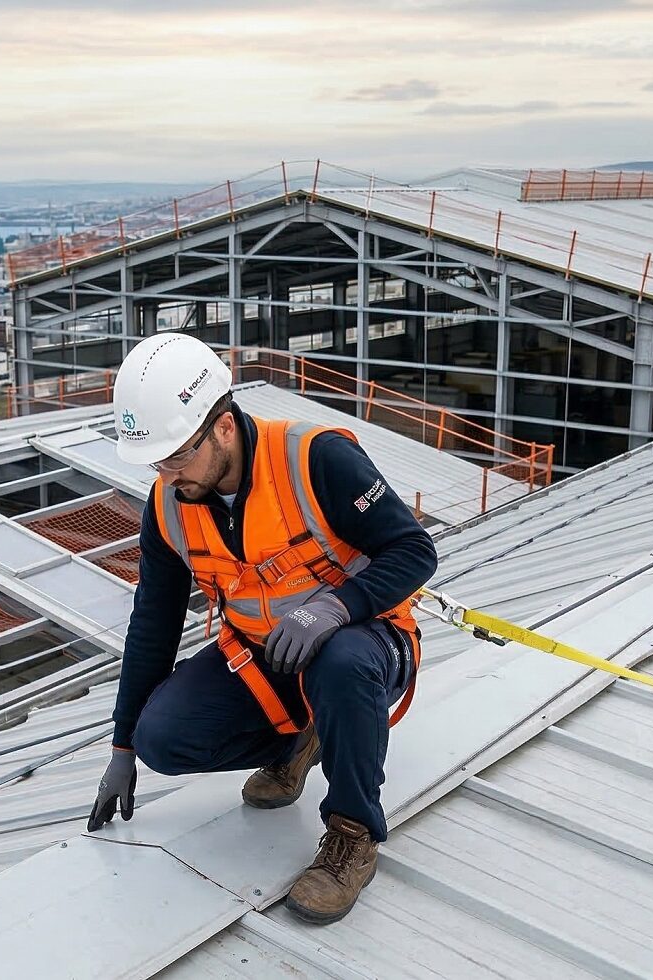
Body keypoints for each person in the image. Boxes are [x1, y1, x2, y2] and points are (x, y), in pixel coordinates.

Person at [86, 333, 437, 925]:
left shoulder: (315, 458)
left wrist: (338, 606)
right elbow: (154, 623)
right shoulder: (170, 504)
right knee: (163, 739)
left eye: (176, 457)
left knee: (343, 661)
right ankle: (302, 740)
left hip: (367, 641)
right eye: (156, 462)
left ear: (223, 427)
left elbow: (413, 550)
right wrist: (123, 744)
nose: (167, 476)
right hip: (267, 655)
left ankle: (353, 833)